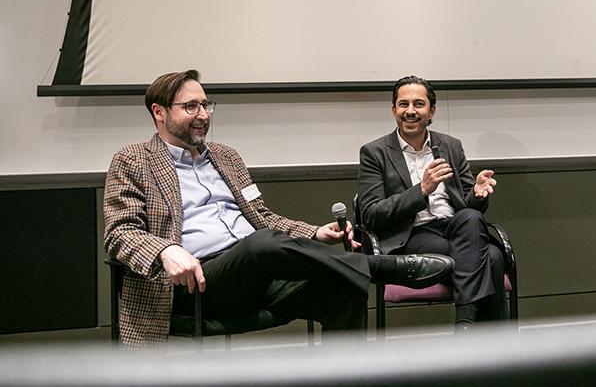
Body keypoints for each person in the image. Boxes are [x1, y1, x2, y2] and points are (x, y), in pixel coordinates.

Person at [104, 70, 454, 348]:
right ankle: (383, 268)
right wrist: (165, 249)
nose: (202, 115)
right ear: (159, 112)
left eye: (206, 105)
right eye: (190, 107)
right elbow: (120, 233)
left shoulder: (226, 156)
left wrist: (316, 233)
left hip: (260, 273)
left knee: (342, 289)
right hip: (197, 284)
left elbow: (263, 218)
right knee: (261, 244)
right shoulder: (133, 160)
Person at [357, 75, 505, 334]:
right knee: (491, 257)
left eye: (418, 104)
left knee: (470, 216)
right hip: (412, 235)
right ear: (394, 110)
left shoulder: (450, 146)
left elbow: (468, 203)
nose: (410, 111)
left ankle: (469, 332)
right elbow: (370, 214)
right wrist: (421, 191)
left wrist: (478, 195)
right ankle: (487, 344)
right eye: (403, 104)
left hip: (457, 227)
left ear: (432, 110)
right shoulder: (375, 152)